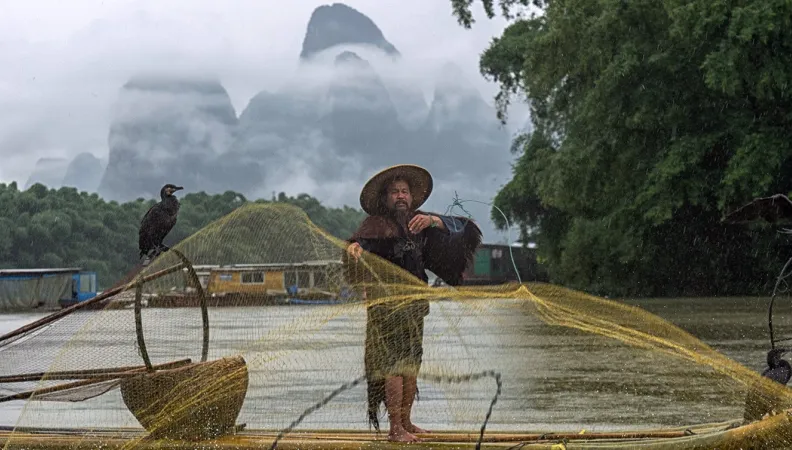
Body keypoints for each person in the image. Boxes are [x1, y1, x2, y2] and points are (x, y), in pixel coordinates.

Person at [343, 164, 482, 442]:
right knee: (393, 364)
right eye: (394, 192)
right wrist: (353, 250)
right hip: (387, 307)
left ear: (412, 196)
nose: (400, 196)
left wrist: (435, 221)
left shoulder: (420, 223)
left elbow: (465, 230)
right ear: (385, 198)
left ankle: (406, 422)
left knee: (411, 362)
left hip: (415, 305)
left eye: (404, 191)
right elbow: (356, 248)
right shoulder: (374, 225)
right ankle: (395, 429)